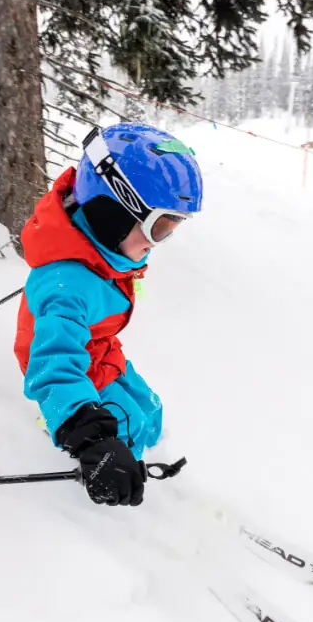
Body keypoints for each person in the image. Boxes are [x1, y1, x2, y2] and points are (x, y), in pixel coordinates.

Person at [13, 122, 203, 507]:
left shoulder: (101, 252)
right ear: (111, 211)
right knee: (124, 428)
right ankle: (68, 431)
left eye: (171, 228)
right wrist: (91, 437)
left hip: (99, 348)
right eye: (160, 226)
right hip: (73, 366)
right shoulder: (66, 287)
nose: (158, 242)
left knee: (149, 412)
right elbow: (53, 364)